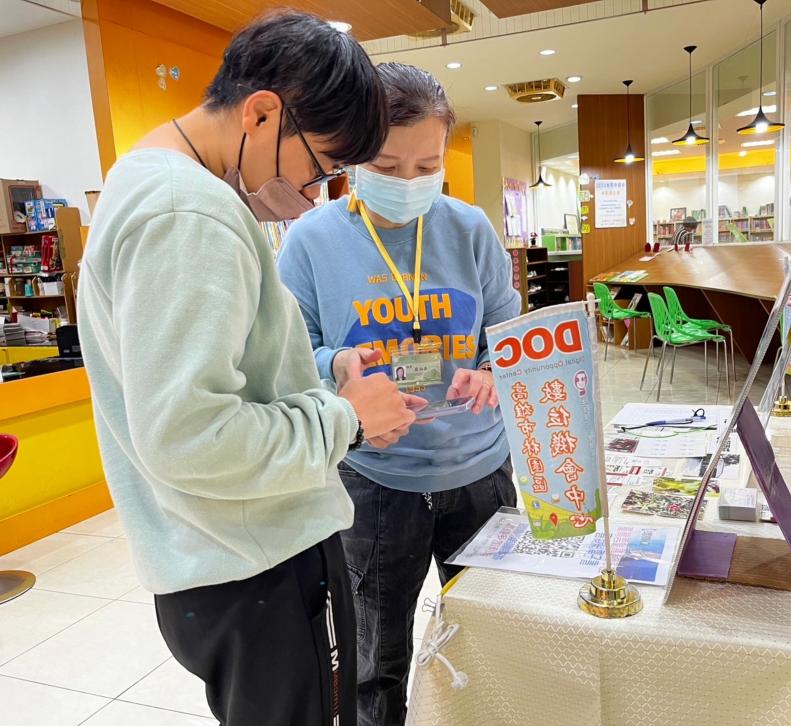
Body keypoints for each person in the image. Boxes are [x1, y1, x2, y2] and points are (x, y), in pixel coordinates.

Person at [77, 12, 422, 726]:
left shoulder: (146, 182)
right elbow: (190, 435)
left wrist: (323, 377)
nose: (315, 192)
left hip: (220, 558)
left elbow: (211, 386)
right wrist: (348, 419)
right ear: (262, 113)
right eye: (320, 166)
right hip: (260, 566)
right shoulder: (189, 212)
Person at [278, 62, 520, 726]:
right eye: (386, 166)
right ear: (351, 155)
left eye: (427, 166)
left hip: (480, 470)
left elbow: (509, 334)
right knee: (374, 662)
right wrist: (338, 364)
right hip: (376, 479)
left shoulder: (470, 229)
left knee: (495, 637)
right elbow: (288, 356)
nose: (409, 182)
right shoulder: (311, 241)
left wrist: (493, 369)